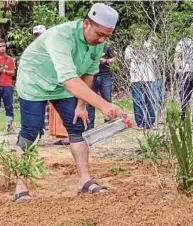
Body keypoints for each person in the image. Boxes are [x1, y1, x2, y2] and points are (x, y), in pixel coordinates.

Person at [14, 3, 121, 201]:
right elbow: (71, 82)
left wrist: (81, 106)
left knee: (77, 125)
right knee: (31, 131)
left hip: (62, 85)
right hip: (34, 81)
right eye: (100, 34)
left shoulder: (96, 43)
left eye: (107, 36)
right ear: (86, 23)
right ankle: (21, 187)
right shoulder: (61, 36)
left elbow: (88, 73)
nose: (102, 40)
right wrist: (104, 105)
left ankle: (85, 181)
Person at [125, 37, 160, 129]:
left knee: (149, 100)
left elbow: (154, 59)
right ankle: (140, 123)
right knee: (137, 101)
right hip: (135, 78)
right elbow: (126, 61)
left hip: (148, 77)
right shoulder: (130, 47)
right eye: (136, 34)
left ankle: (150, 122)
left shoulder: (149, 46)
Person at [87, 43, 116, 128]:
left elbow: (114, 58)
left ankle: (108, 123)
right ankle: (89, 126)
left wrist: (106, 61)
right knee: (90, 101)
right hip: (91, 75)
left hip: (105, 75)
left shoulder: (107, 46)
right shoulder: (88, 46)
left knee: (107, 99)